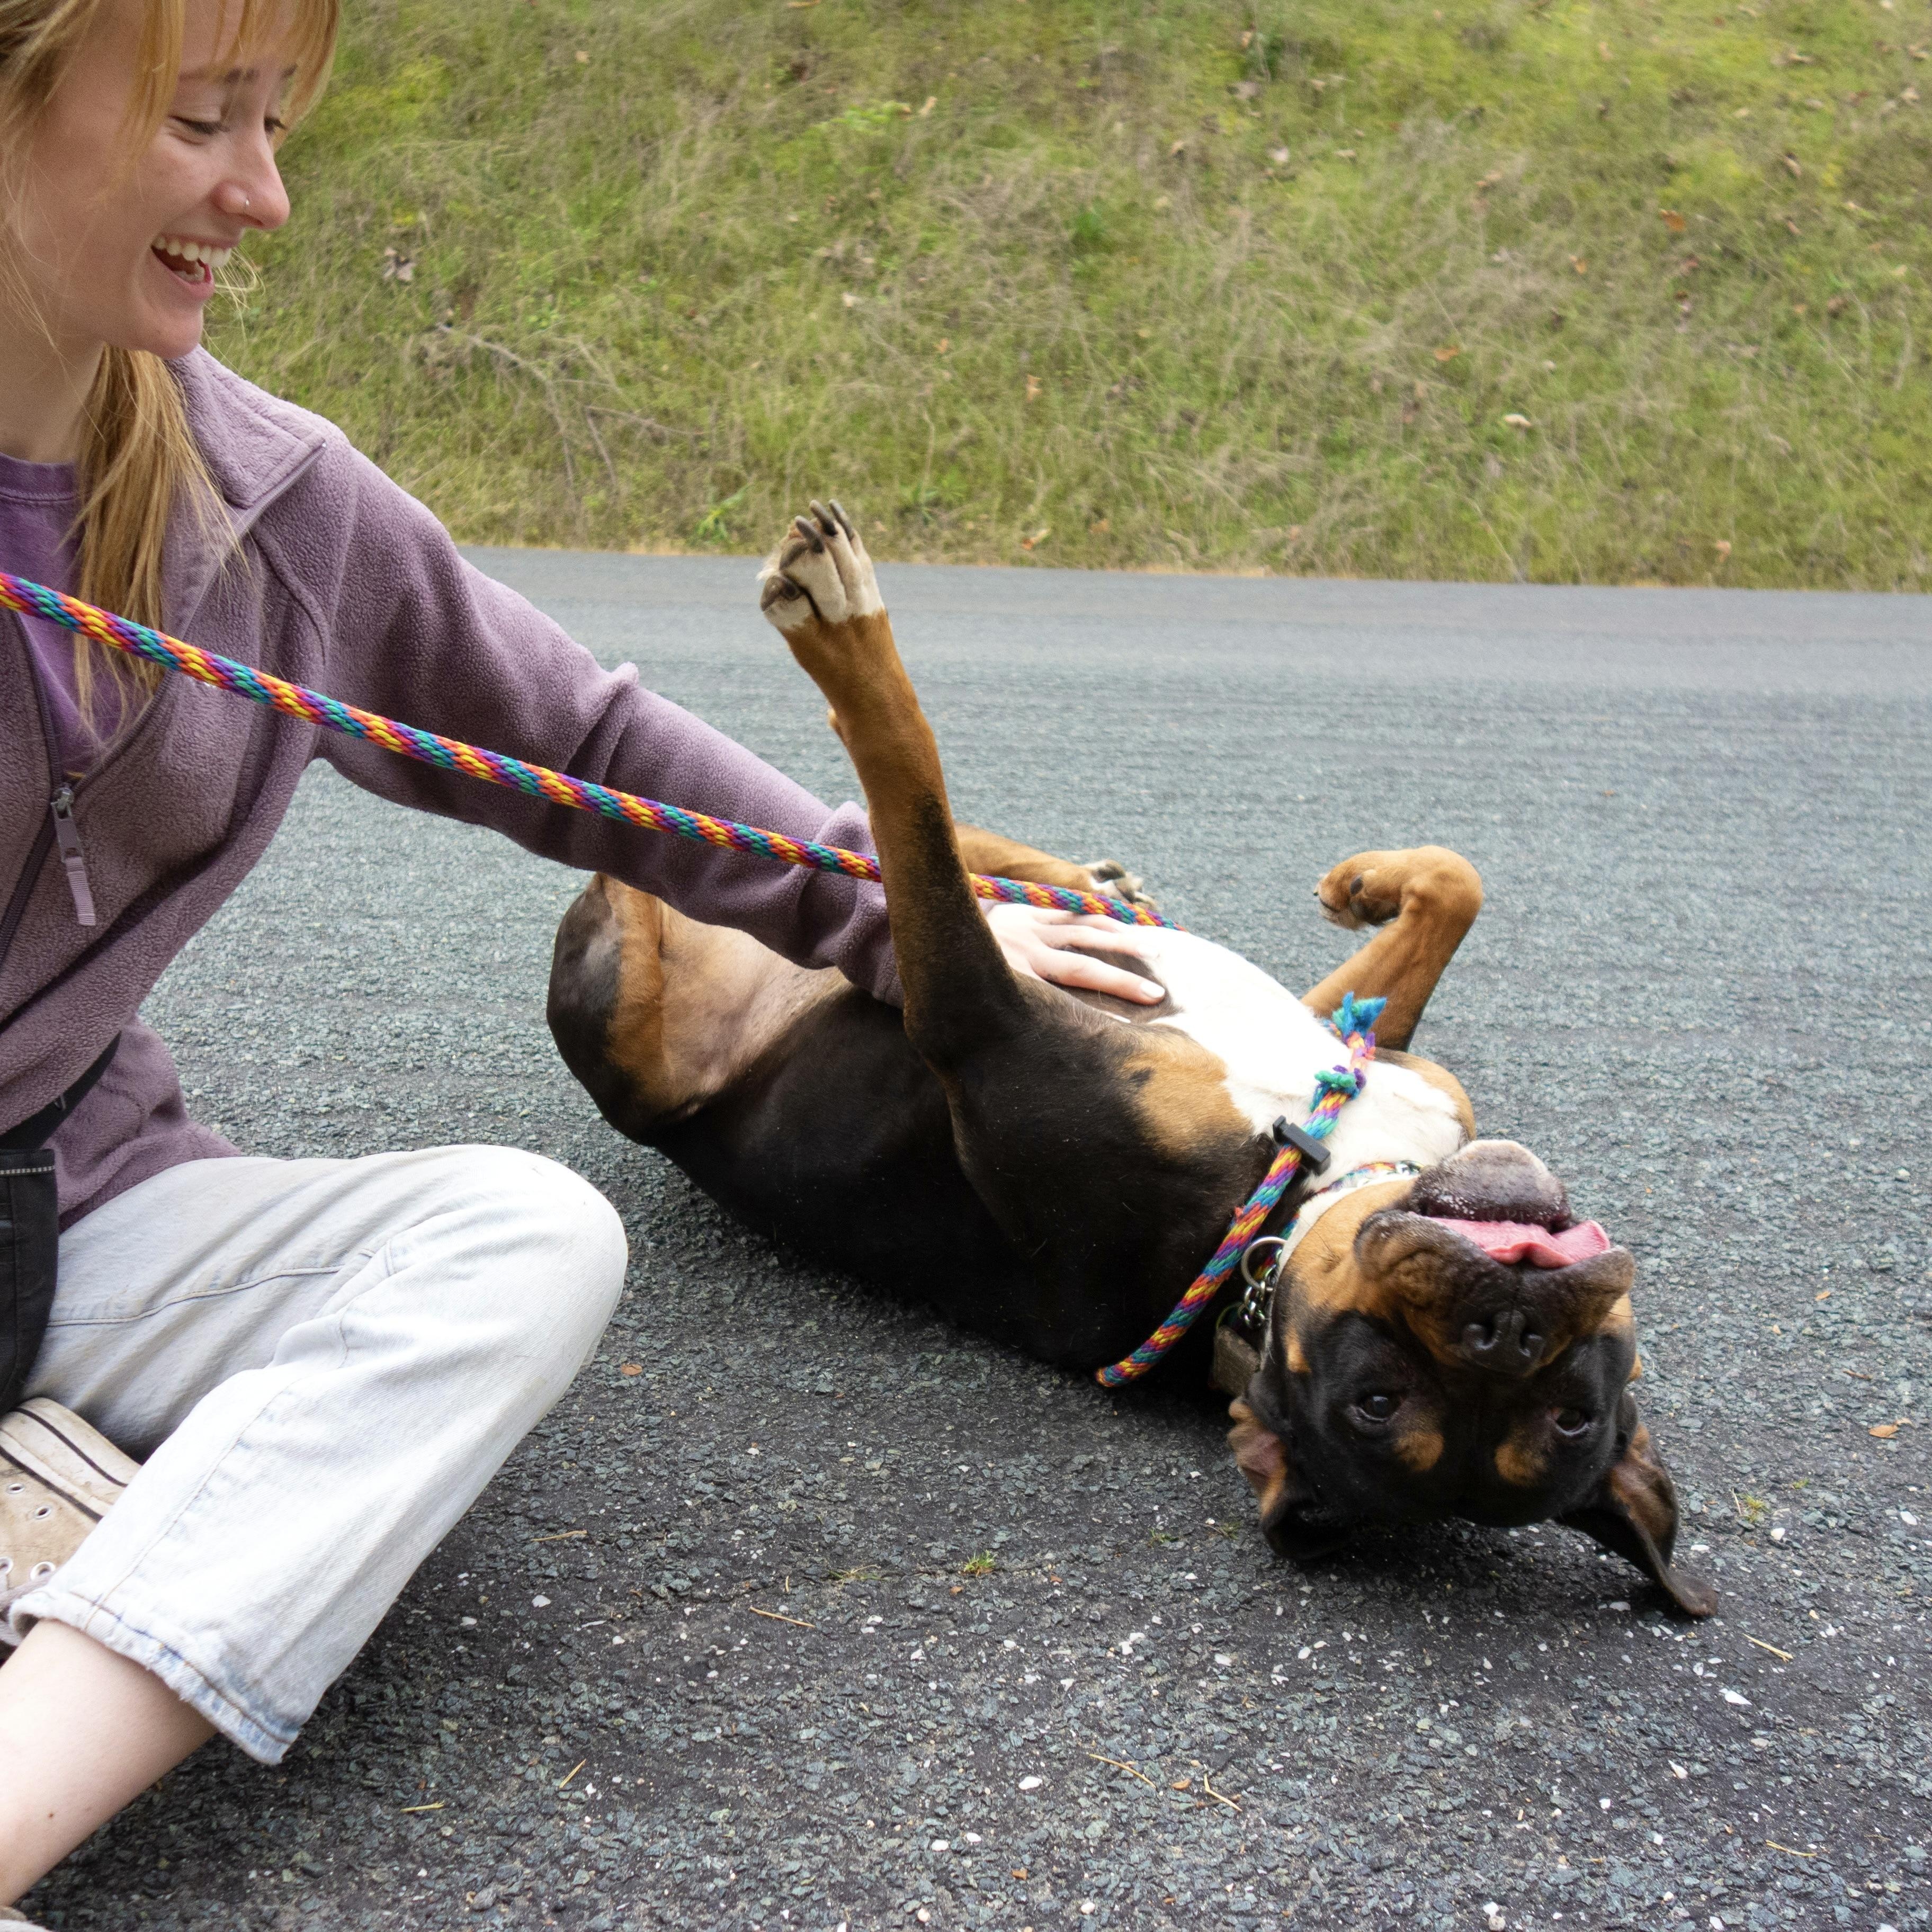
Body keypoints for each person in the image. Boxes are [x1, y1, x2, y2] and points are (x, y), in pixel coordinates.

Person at [0, 0, 1160, 1911]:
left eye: (275, 122)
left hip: (58, 1207)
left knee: (522, 1240)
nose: (265, 192)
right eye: (205, 119)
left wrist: (909, 924)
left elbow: (589, 746)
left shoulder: (268, 509)